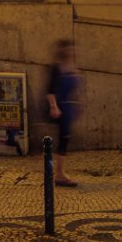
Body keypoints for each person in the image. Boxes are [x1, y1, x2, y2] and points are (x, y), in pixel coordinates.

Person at [47, 38, 82, 187]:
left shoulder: (72, 67)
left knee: (65, 138)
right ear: (62, 50)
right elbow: (50, 90)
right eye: (68, 49)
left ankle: (60, 172)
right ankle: (59, 174)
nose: (71, 51)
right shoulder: (56, 67)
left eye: (72, 48)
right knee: (63, 138)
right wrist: (54, 107)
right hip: (60, 107)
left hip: (68, 107)